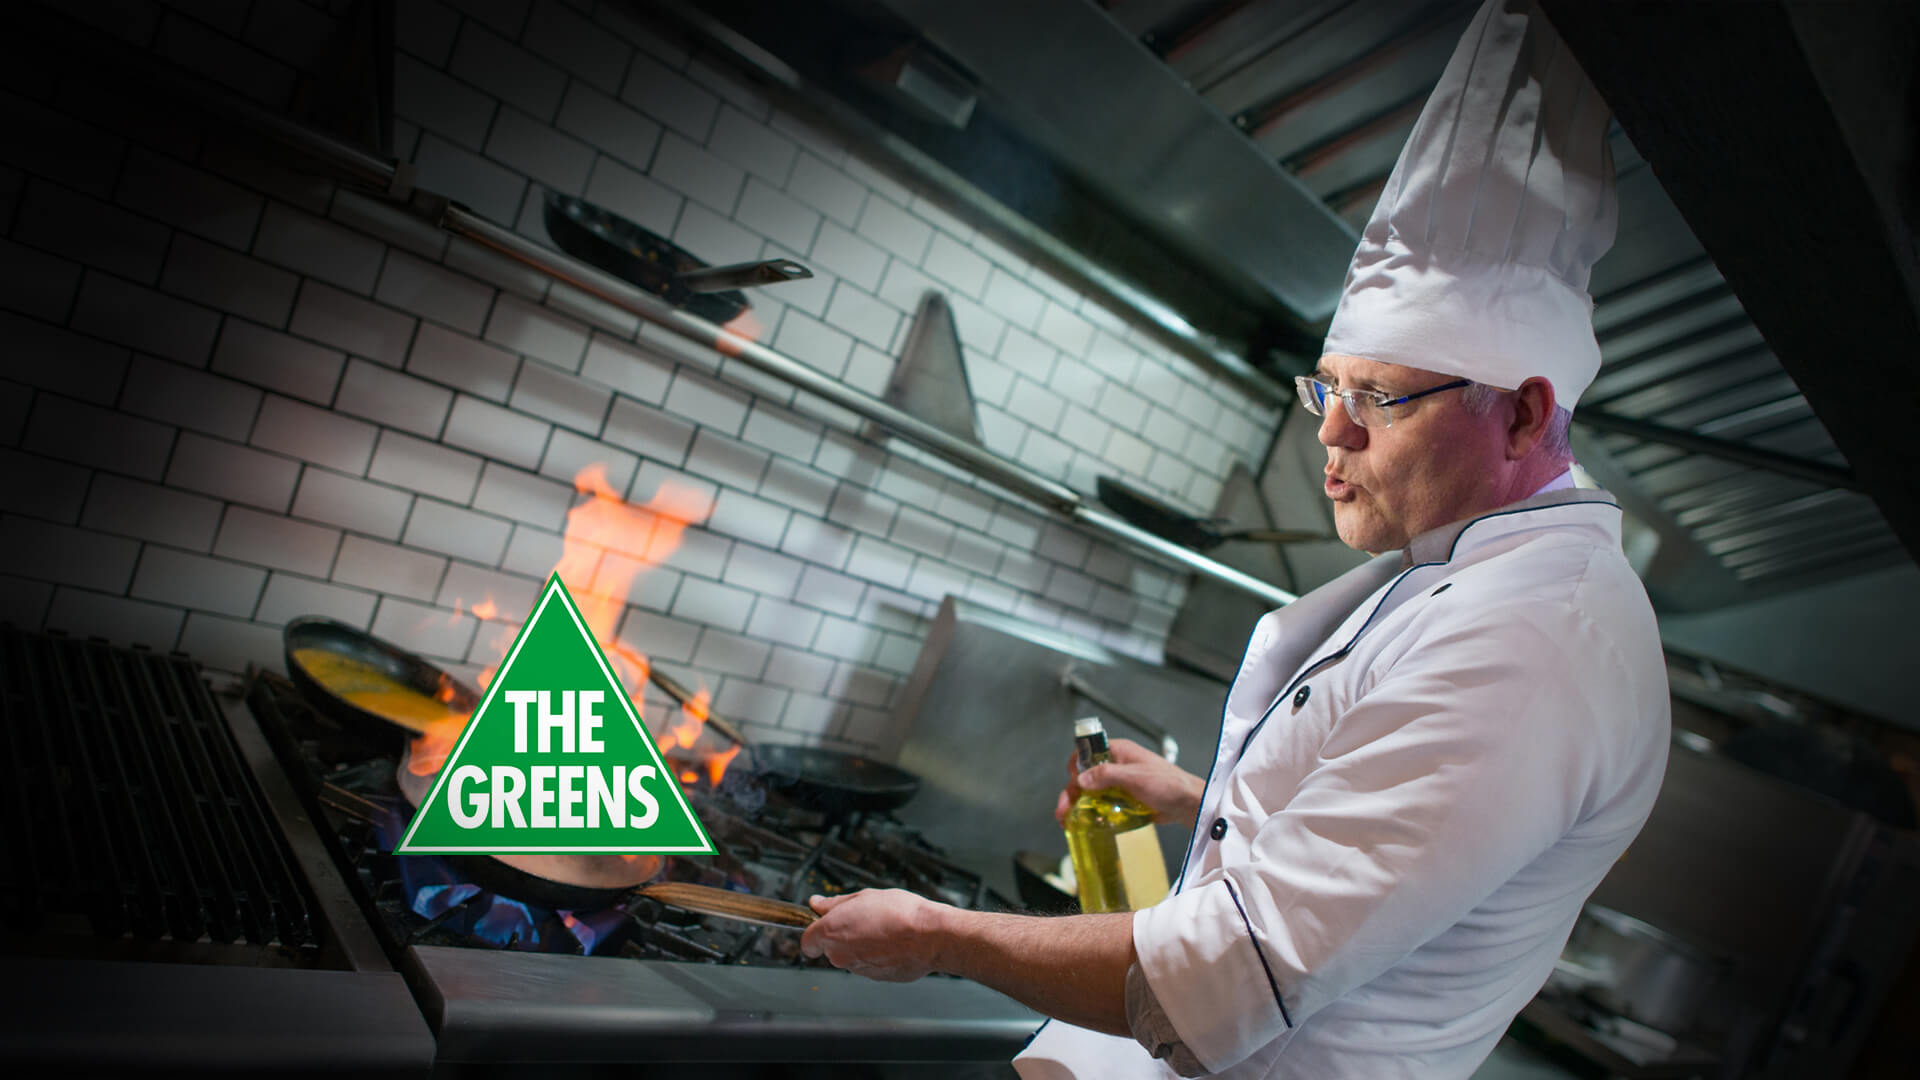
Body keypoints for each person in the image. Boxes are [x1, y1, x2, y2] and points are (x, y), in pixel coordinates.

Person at [799, 1, 1671, 1076]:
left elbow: (1219, 977)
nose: (1332, 433)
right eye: (1329, 389)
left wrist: (940, 937)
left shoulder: (1537, 643)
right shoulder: (1470, 566)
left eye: (1381, 400)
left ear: (1526, 416)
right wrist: (1199, 800)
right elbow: (1381, 846)